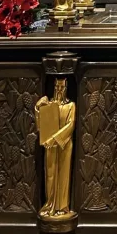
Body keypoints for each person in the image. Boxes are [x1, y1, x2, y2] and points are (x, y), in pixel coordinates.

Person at [35, 78, 76, 216]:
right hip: (50, 146)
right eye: (57, 87)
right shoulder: (49, 104)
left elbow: (70, 125)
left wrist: (54, 139)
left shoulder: (70, 105)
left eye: (62, 87)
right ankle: (50, 204)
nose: (59, 90)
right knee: (51, 175)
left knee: (63, 175)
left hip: (63, 144)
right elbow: (40, 126)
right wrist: (37, 108)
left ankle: (62, 207)